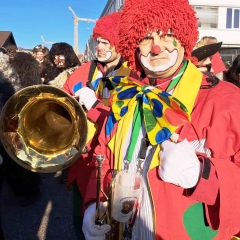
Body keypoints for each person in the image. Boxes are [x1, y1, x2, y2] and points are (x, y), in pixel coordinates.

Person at [82, 0, 240, 239]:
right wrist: (93, 203)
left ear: (184, 38)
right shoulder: (125, 96)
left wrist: (204, 174)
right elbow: (102, 155)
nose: (156, 48)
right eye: (145, 38)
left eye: (167, 34)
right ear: (134, 45)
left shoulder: (228, 101)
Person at [62, 11, 137, 240]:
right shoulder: (84, 71)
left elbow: (122, 124)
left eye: (107, 42)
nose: (100, 47)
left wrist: (94, 106)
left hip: (110, 166)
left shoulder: (133, 77)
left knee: (111, 226)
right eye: (98, 41)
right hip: (81, 162)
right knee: (81, 222)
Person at [0, 50, 42, 208]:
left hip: (11, 116)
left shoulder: (18, 66)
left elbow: (20, 88)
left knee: (15, 158)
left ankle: (27, 191)